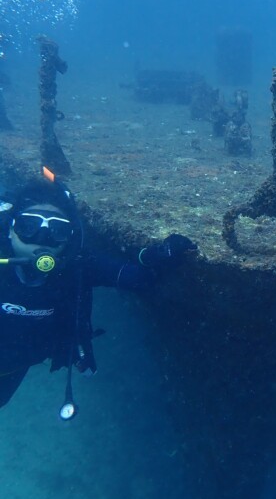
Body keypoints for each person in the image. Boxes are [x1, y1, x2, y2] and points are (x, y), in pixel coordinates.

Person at [0, 168, 197, 417]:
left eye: (57, 230)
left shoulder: (78, 265)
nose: (42, 238)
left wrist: (158, 255)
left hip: (15, 366)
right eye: (29, 225)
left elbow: (136, 277)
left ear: (68, 238)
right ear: (10, 229)